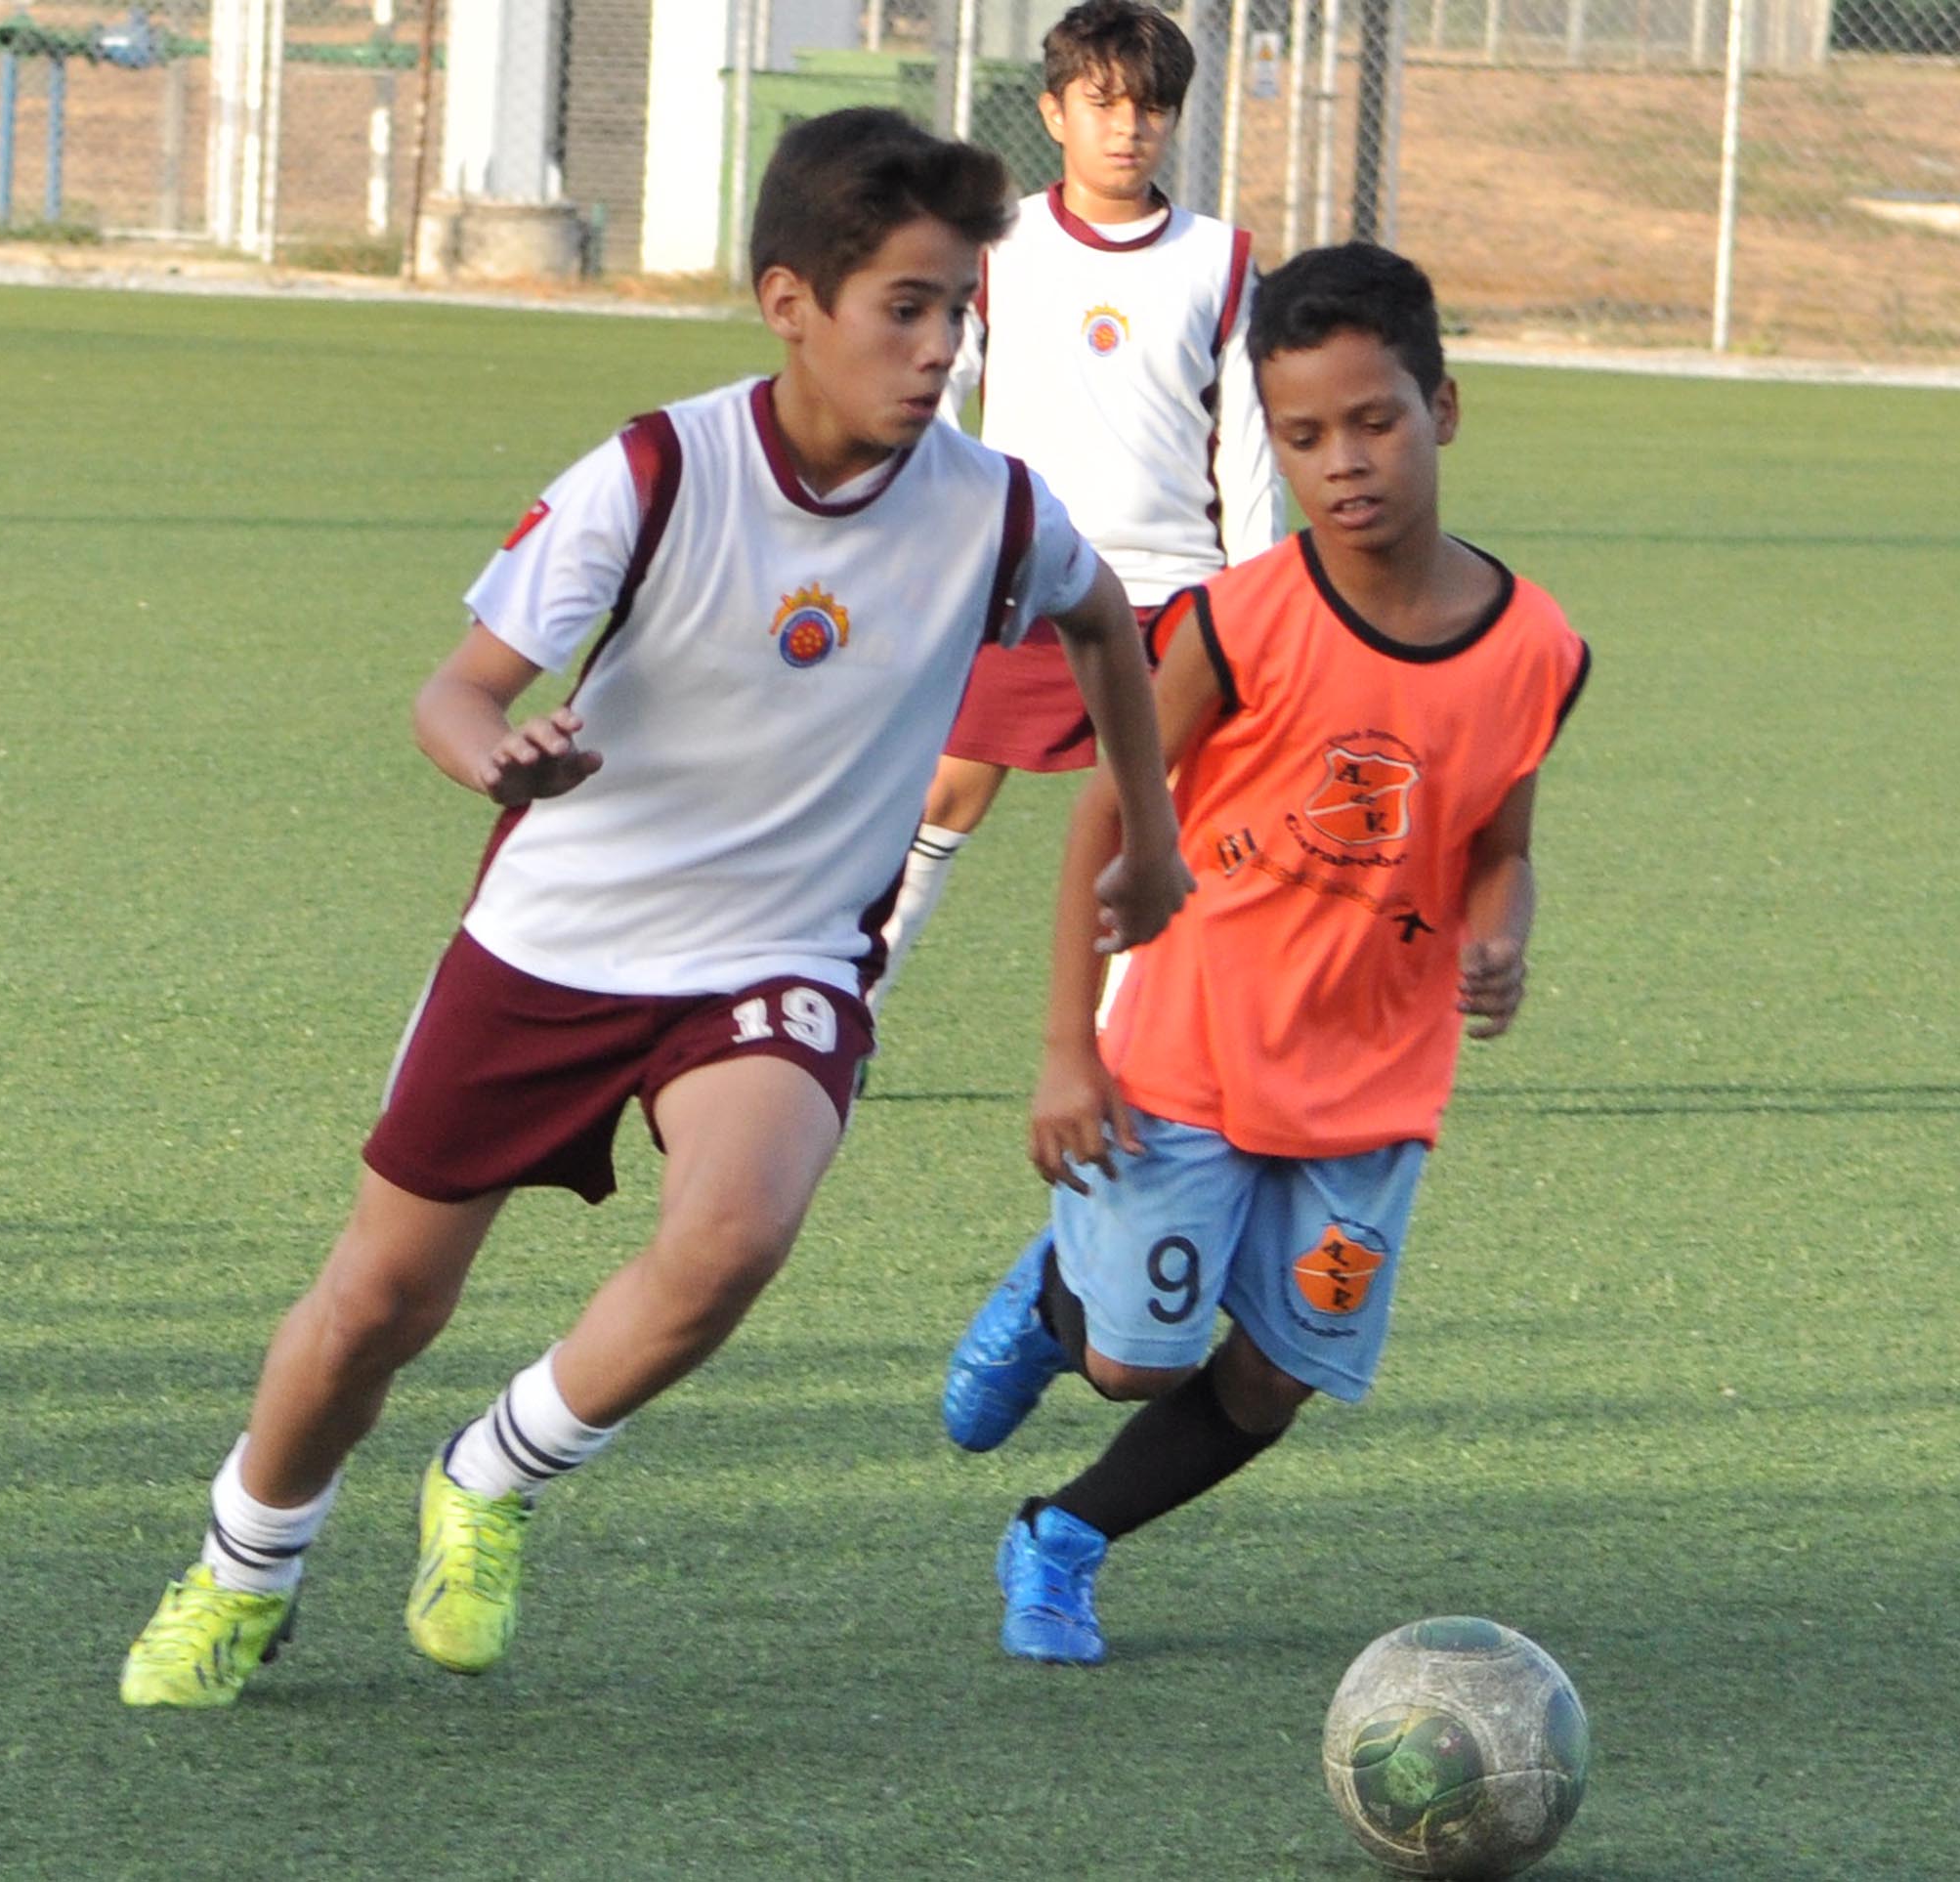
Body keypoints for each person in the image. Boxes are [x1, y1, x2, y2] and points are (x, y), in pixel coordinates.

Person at [116, 107, 1190, 1708]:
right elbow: (454, 690)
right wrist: (503, 756)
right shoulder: (653, 470)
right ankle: (242, 1569)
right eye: (905, 306)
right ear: (790, 302)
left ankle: (491, 1475)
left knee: (738, 1229)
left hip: (782, 953)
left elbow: (1111, 628)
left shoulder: (994, 511)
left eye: (962, 312)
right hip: (553, 944)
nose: (940, 349)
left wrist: (1150, 838)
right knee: (376, 1306)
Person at [938, 243, 1593, 1664]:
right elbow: (1112, 805)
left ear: (1445, 408)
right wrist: (1067, 1049)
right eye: (1303, 436)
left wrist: (1504, 937)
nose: (1343, 461)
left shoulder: (1538, 644)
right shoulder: (1243, 623)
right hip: (1196, 1046)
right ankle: (1056, 1299)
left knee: (1278, 1374)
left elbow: (1501, 843)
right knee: (1137, 1359)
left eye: (1376, 420)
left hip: (1376, 1084)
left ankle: (1061, 1538)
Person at [866, 0, 1280, 1025]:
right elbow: (935, 389)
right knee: (942, 797)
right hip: (1027, 583)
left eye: (1148, 108)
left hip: (1176, 596)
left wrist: (1260, 598)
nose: (1126, 127)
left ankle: (1122, 1043)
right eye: (1101, 104)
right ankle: (847, 1009)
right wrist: (919, 531)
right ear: (1053, 114)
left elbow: (1253, 439)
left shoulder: (1218, 260)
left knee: (1168, 824)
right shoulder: (997, 248)